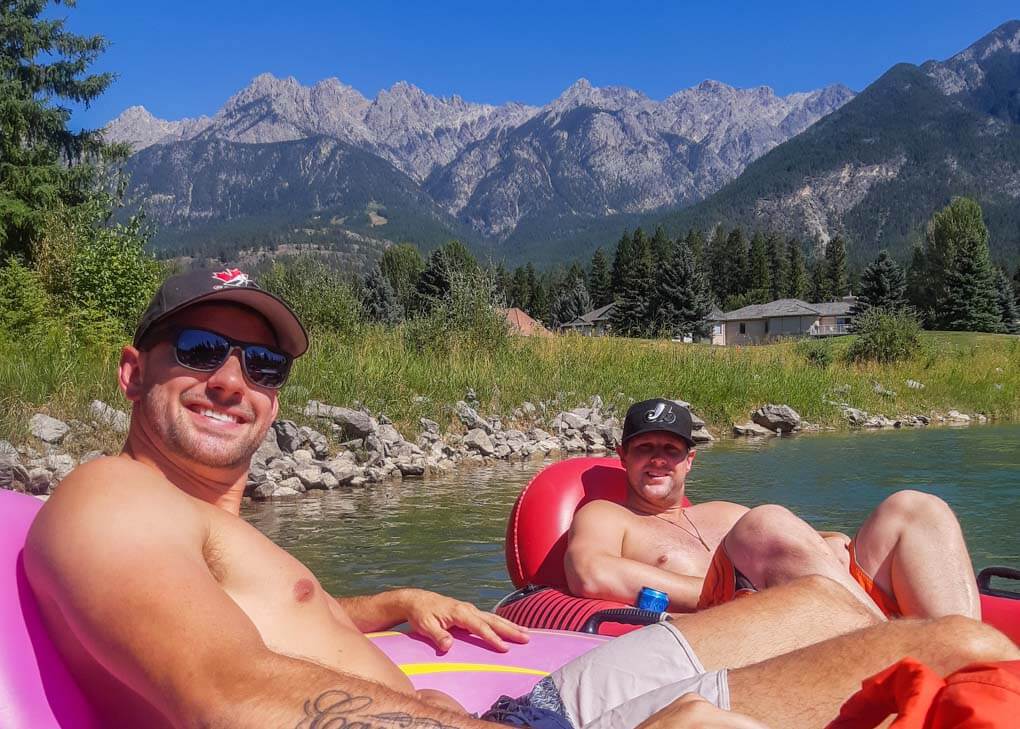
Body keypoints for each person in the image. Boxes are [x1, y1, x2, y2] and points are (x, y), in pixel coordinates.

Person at [24, 272, 1015, 729]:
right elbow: (226, 695)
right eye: (200, 351)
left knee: (859, 611)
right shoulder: (109, 496)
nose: (234, 379)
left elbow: (236, 618)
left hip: (510, 709)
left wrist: (380, 604)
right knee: (958, 652)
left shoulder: (196, 528)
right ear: (129, 371)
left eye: (262, 361)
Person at [565, 397, 981, 620]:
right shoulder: (607, 515)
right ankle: (892, 644)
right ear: (622, 455)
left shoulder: (725, 511)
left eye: (670, 450)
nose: (658, 459)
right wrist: (723, 591)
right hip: (738, 623)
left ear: (690, 460)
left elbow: (801, 550)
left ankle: (972, 663)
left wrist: (832, 544)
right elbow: (591, 572)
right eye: (644, 449)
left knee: (913, 508)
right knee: (762, 524)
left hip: (817, 608)